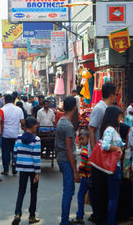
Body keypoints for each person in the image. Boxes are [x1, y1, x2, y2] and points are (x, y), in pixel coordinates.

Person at [93, 106, 125, 225]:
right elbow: (105, 145)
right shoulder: (110, 130)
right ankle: (111, 221)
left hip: (114, 166)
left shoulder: (112, 129)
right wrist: (117, 148)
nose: (120, 118)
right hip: (112, 168)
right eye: (119, 116)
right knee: (113, 197)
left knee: (113, 197)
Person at [11, 117, 41, 225]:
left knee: (21, 191)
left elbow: (15, 153)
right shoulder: (36, 139)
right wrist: (37, 172)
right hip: (32, 169)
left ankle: (17, 214)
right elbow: (36, 157)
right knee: (33, 192)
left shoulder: (19, 138)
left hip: (22, 168)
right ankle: (32, 216)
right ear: (33, 126)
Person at [55, 96, 79, 225]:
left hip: (62, 159)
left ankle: (65, 219)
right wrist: (75, 170)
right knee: (68, 191)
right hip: (66, 160)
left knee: (68, 191)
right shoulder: (68, 125)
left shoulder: (61, 121)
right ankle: (64, 220)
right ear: (74, 108)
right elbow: (69, 149)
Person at [72, 129, 93, 224]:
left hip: (86, 177)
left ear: (88, 138)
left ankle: (80, 216)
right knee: (92, 196)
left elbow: (83, 164)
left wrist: (77, 172)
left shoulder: (85, 149)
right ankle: (95, 214)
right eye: (80, 139)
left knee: (81, 195)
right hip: (93, 176)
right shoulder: (93, 147)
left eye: (82, 139)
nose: (81, 141)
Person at [2, 94, 25, 176]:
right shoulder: (18, 110)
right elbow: (22, 122)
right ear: (13, 100)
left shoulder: (2, 110)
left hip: (5, 134)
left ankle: (6, 170)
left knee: (5, 152)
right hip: (15, 134)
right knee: (15, 151)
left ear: (5, 100)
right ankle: (14, 163)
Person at [89, 82, 117, 149]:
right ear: (111, 95)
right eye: (116, 94)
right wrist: (94, 151)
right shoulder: (99, 108)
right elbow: (91, 129)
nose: (116, 97)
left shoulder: (108, 108)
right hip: (98, 151)